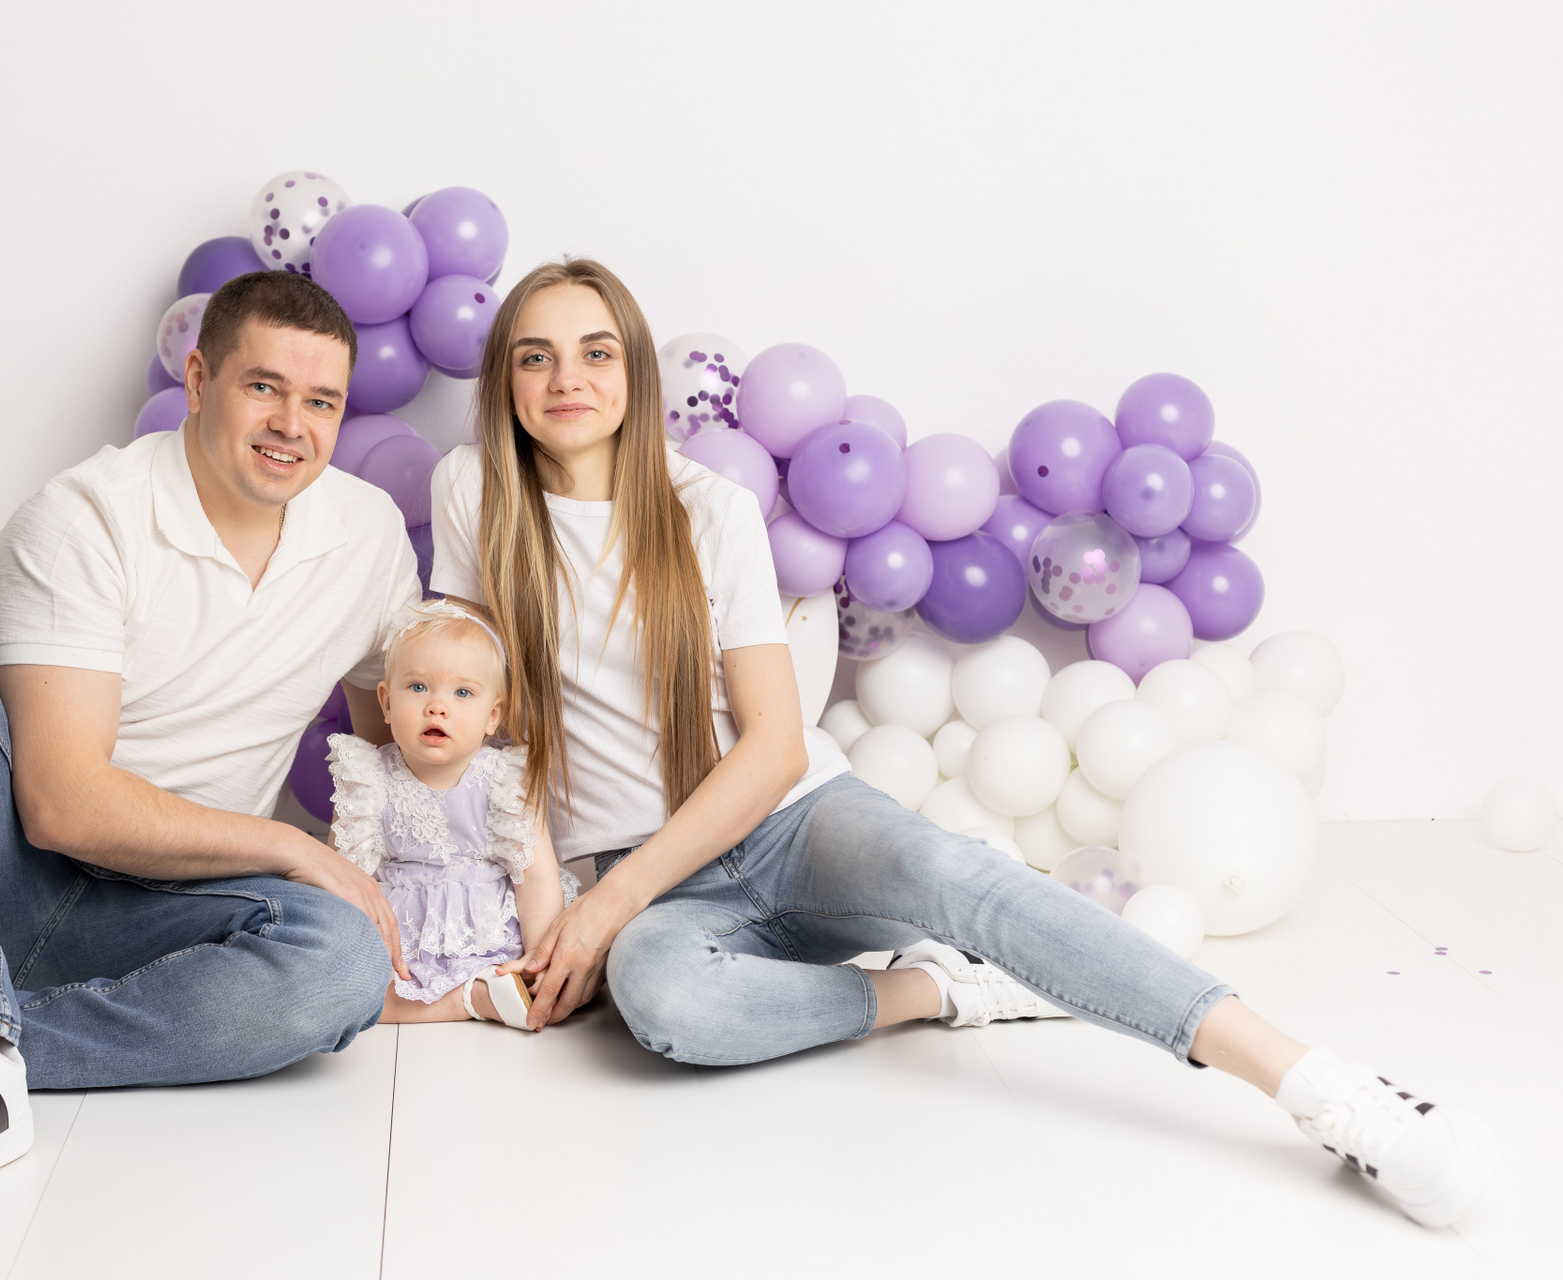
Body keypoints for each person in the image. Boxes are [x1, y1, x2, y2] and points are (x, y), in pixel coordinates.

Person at [427, 257, 1497, 1230]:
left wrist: (604, 907)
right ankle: (941, 989)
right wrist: (559, 901)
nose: (568, 378)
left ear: (635, 369)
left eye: (596, 351)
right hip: (664, 891)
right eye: (536, 356)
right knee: (664, 1006)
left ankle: (1325, 1089)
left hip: (794, 826)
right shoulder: (472, 492)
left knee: (953, 877)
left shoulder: (706, 507)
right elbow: (479, 720)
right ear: (506, 381)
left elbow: (776, 747)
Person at [0, 271, 421, 1224]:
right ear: (199, 379)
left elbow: (391, 734)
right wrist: (293, 847)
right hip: (7, 876)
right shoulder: (84, 518)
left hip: (178, 904)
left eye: (321, 402)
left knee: (342, 965)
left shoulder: (367, 535)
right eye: (263, 386)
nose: (290, 425)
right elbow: (62, 804)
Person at [326, 598, 565, 1030]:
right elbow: (341, 877)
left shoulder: (504, 779)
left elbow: (535, 876)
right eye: (418, 687)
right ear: (386, 702)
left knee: (564, 987)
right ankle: (468, 1000)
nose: (437, 706)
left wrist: (538, 958)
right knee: (347, 995)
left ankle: (494, 987)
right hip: (402, 940)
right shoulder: (368, 778)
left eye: (462, 693)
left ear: (493, 715)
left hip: (487, 932)